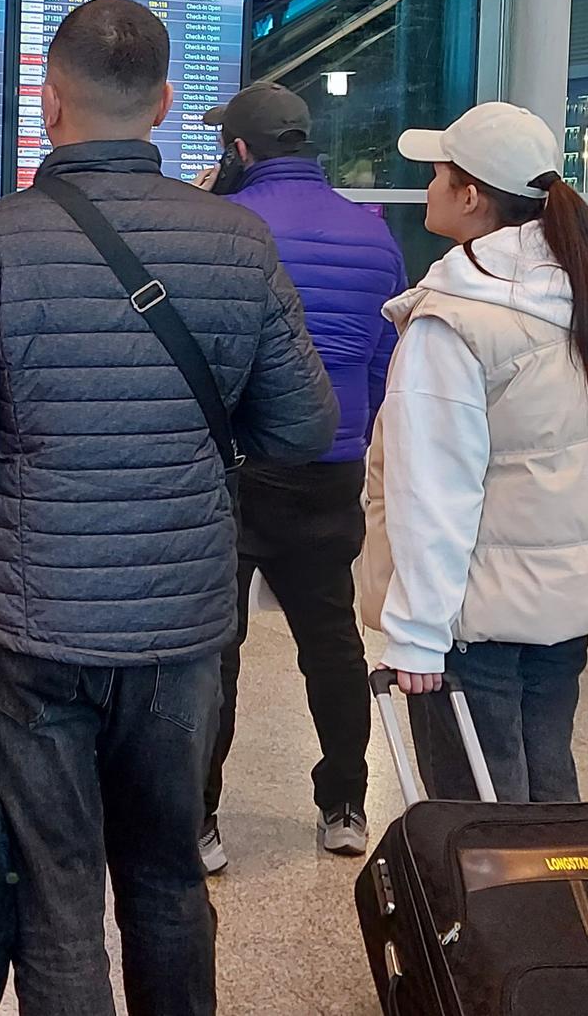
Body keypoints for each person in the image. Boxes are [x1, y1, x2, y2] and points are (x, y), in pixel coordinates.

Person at [0, 0, 340, 1016]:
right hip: (178, 627)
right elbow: (303, 425)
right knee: (168, 877)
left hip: (28, 626)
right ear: (165, 103)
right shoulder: (236, 237)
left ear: (46, 102)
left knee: (55, 886)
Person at [356, 103, 588, 802]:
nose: (428, 189)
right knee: (547, 783)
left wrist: (416, 635)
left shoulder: (453, 320)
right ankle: (560, 910)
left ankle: (500, 916)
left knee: (477, 820)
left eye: (436, 175)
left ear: (469, 196)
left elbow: (432, 492)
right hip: (564, 604)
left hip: (476, 615)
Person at [195, 82, 405, 867]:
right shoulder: (374, 235)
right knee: (331, 640)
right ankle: (345, 807)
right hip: (332, 465)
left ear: (239, 151)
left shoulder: (229, 226)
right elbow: (386, 360)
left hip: (240, 464)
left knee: (216, 646)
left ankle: (200, 821)